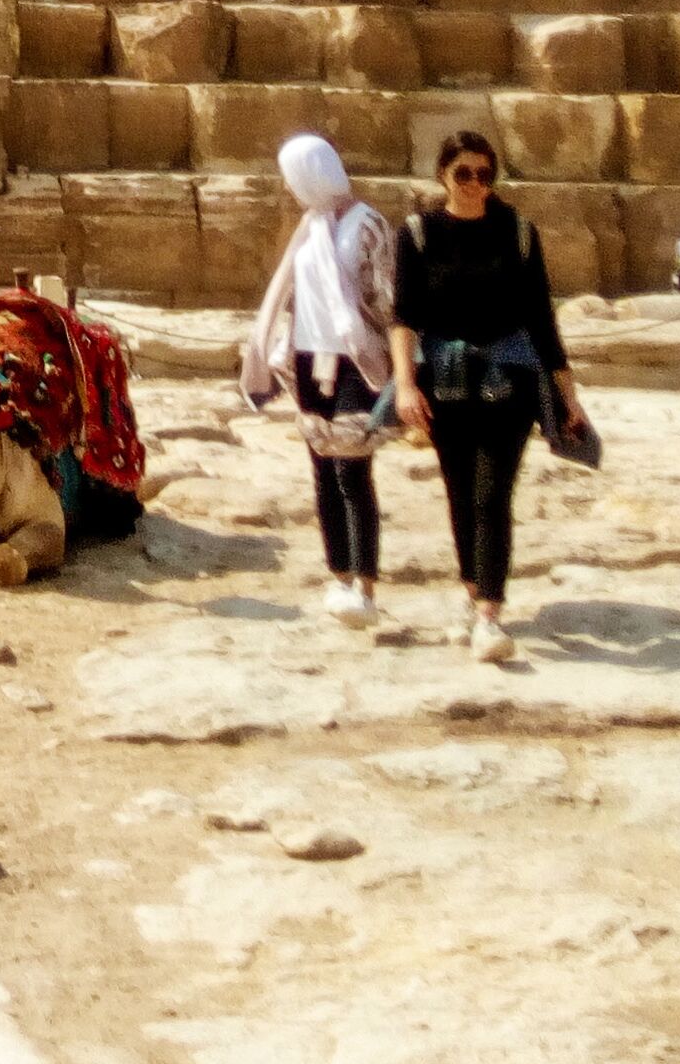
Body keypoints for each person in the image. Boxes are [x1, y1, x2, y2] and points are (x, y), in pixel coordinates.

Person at [391, 131, 588, 664]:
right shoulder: (417, 234)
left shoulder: (519, 232)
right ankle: (472, 590)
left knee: (492, 493)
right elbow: (404, 317)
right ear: (443, 176)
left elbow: (542, 320)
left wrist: (569, 398)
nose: (476, 185)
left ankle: (489, 614)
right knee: (459, 492)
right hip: (445, 383)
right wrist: (405, 385)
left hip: (512, 378)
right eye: (464, 174)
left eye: (485, 174)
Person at [242, 132, 409, 626]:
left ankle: (366, 584)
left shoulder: (367, 225)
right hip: (311, 362)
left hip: (355, 363)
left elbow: (385, 298)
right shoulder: (310, 226)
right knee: (323, 474)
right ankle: (339, 574)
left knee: (352, 473)